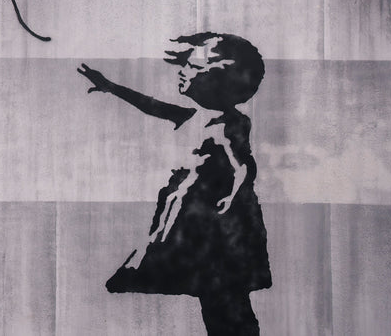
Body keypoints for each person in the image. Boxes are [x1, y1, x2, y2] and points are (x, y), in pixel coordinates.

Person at [77, 32, 271, 336]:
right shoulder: (195, 116)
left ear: (218, 80)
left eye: (192, 67)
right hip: (197, 215)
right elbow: (152, 106)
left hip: (217, 224)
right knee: (219, 299)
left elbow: (244, 165)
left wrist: (233, 195)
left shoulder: (226, 123)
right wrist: (111, 87)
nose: (183, 71)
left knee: (225, 300)